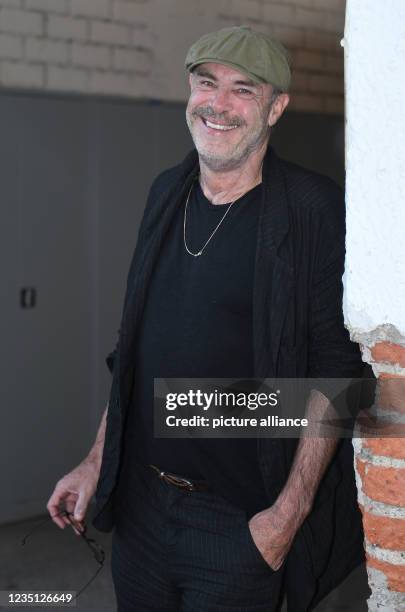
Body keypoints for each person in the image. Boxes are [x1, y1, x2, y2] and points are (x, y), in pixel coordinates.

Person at [47, 26, 366, 611]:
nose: (219, 104)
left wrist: (284, 518)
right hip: (142, 510)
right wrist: (97, 462)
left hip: (239, 521)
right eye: (206, 83)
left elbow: (338, 372)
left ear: (276, 108)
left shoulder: (312, 209)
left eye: (244, 90)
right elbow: (133, 349)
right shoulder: (166, 193)